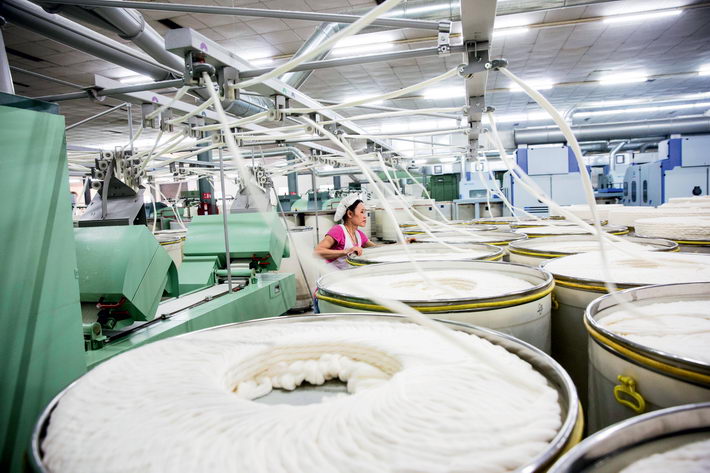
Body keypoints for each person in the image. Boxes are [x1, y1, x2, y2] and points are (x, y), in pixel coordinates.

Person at [314, 194, 376, 270]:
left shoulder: (359, 235)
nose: (365, 216)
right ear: (350, 214)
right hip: (333, 277)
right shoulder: (339, 231)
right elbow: (318, 251)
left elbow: (375, 247)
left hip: (346, 276)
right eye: (362, 212)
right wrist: (346, 251)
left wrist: (393, 246)